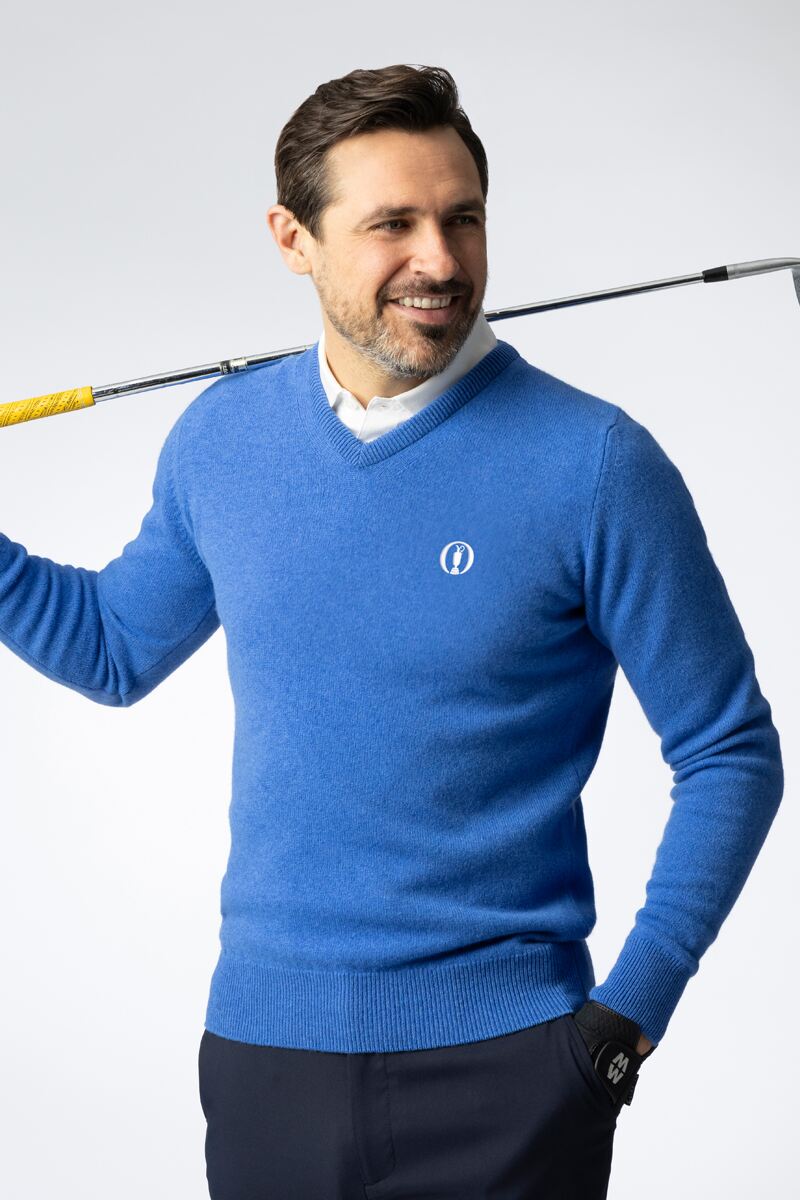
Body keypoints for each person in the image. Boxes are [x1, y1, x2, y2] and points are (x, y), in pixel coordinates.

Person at [0, 63, 784, 1199]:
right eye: (393, 224)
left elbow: (728, 750)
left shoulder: (596, 464)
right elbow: (113, 648)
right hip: (264, 1059)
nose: (441, 260)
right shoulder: (222, 440)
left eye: (462, 219)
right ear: (294, 239)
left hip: (516, 1067)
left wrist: (627, 1018)